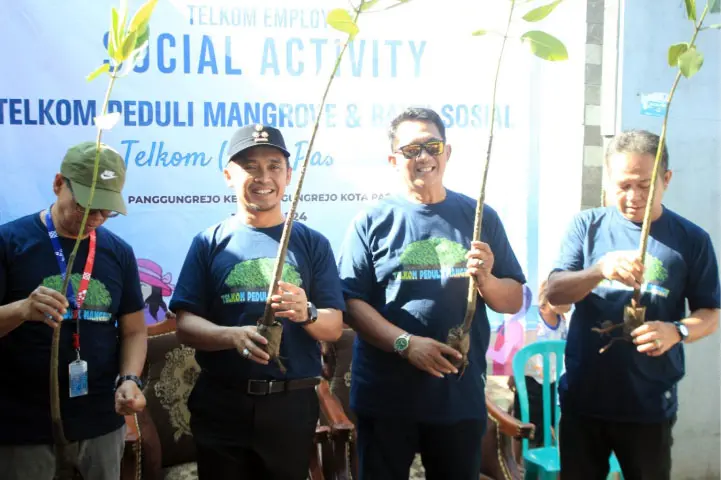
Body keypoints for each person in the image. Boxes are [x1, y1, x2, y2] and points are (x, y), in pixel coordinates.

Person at [337, 107, 526, 479]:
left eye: (431, 146)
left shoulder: (479, 217)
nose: (423, 157)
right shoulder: (371, 220)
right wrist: (406, 343)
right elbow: (349, 302)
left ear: (447, 152)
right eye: (411, 150)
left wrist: (486, 279)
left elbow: (513, 299)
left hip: (457, 395)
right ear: (394, 160)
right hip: (386, 397)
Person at [169, 124, 344, 480]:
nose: (263, 177)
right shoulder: (209, 243)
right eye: (250, 166)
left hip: (291, 405)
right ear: (228, 175)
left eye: (274, 166)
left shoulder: (312, 244)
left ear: (289, 175)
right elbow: (185, 324)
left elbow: (334, 325)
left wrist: (307, 312)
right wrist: (230, 337)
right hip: (222, 403)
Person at [546, 129, 720, 480]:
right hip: (585, 401)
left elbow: (711, 313)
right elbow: (555, 292)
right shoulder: (587, 227)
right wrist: (598, 270)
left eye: (644, 185)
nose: (633, 197)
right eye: (623, 186)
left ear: (666, 179)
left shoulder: (691, 240)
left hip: (649, 405)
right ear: (609, 180)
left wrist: (678, 330)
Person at [0, 142, 148, 480]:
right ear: (57, 184)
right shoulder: (10, 242)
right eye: (85, 206)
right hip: (22, 426)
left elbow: (134, 330)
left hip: (99, 420)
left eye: (105, 210)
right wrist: (21, 309)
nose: (94, 218)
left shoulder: (118, 252)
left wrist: (129, 379)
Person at [510, 280, 570, 448]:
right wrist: (513, 374)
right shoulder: (533, 321)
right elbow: (521, 350)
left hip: (552, 381)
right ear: (549, 296)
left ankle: (545, 457)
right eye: (566, 300)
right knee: (524, 426)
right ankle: (518, 463)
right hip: (530, 382)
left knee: (550, 420)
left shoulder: (562, 322)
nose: (570, 304)